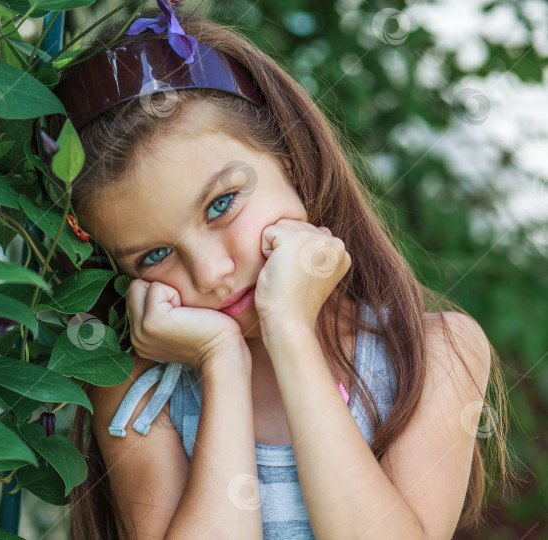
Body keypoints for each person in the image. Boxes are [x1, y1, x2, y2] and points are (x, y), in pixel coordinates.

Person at [39, 5, 510, 539]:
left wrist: (289, 329)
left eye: (221, 205)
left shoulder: (432, 353)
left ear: (290, 156)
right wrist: (221, 365)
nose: (213, 272)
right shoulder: (138, 389)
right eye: (153, 256)